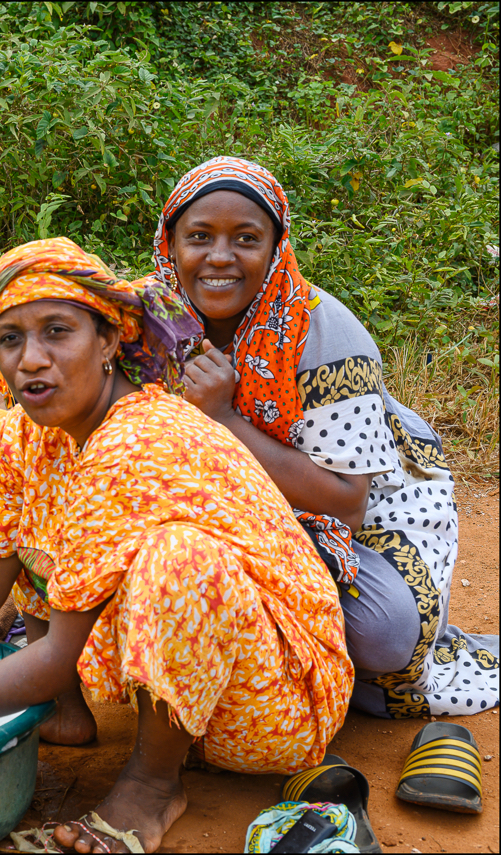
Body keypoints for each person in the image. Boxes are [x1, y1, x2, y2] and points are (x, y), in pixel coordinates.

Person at [0, 238, 353, 854]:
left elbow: (63, 650)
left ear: (109, 341)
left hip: (270, 700)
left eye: (57, 331)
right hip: (197, 669)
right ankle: (65, 714)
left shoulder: (144, 437)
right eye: (11, 339)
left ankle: (151, 787)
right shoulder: (29, 436)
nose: (32, 359)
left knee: (180, 560)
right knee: (27, 525)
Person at [154, 156, 498, 720]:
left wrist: (225, 420)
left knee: (384, 634)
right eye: (198, 236)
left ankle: (306, 668)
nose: (219, 257)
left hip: (361, 518)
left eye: (245, 238)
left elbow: (346, 502)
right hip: (224, 512)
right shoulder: (153, 319)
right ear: (170, 244)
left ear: (276, 248)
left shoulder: (323, 333)